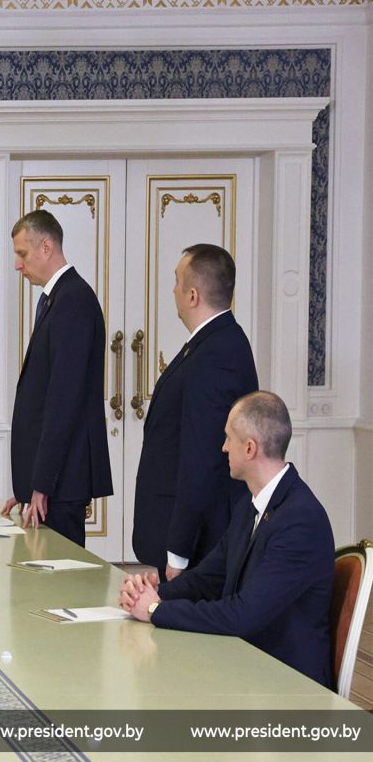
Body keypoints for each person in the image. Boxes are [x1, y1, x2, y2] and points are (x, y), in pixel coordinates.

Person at [120, 392, 334, 688]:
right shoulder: (251, 504)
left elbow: (242, 615)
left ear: (249, 448)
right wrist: (153, 594)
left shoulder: (300, 520)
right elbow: (208, 578)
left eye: (228, 438)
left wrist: (156, 610)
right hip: (248, 664)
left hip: (287, 685)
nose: (223, 447)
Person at [133, 244, 258, 580]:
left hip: (201, 543)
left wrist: (179, 553)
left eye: (177, 281)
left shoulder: (216, 352)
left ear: (192, 295)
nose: (173, 289)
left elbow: (201, 458)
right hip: (193, 536)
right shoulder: (211, 343)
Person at [3, 210, 113, 546]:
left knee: (61, 572)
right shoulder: (60, 298)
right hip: (55, 482)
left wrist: (42, 484)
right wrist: (28, 486)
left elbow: (64, 401)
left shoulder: (73, 301)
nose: (18, 265)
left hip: (62, 481)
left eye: (22, 254)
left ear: (46, 247)